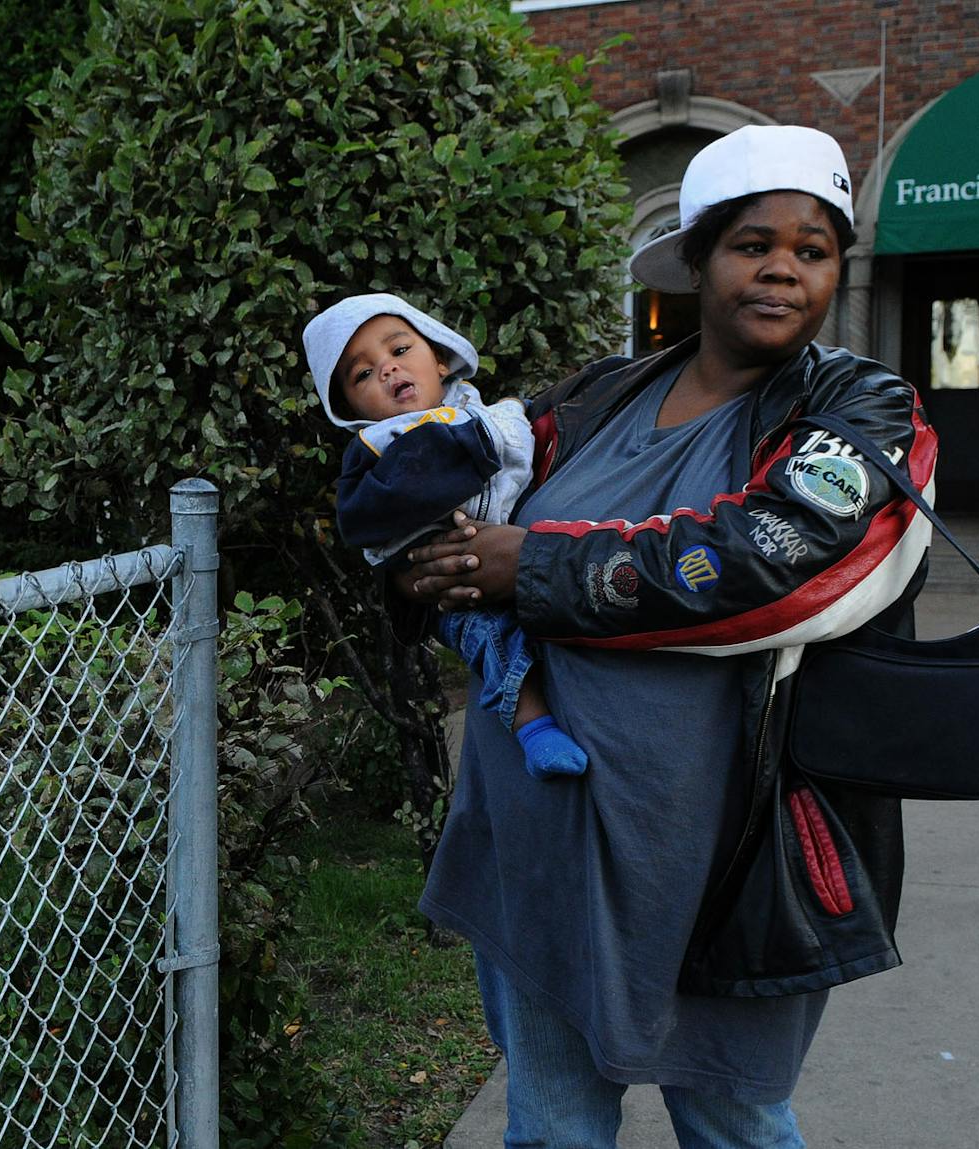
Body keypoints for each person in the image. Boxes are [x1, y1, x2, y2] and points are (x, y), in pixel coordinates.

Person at [398, 124, 939, 1147]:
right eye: (751, 244)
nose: (782, 268)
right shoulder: (604, 394)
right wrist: (435, 555)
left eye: (812, 250)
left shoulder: (860, 408)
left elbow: (774, 558)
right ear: (696, 258)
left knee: (735, 1118)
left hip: (721, 856)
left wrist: (533, 566)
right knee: (553, 1123)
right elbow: (468, 490)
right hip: (542, 841)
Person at [307, 292, 588, 780]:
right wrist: (473, 445)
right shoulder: (381, 447)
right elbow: (364, 517)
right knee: (495, 640)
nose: (388, 371)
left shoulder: (476, 409)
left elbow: (525, 440)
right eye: (363, 374)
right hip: (452, 590)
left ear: (439, 358)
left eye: (398, 351)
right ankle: (534, 726)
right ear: (351, 407)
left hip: (523, 553)